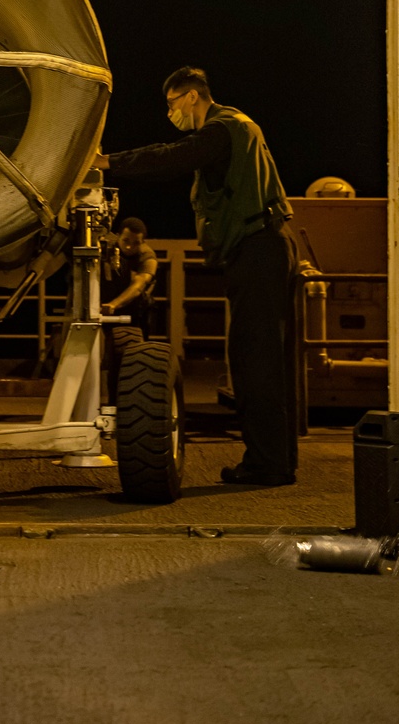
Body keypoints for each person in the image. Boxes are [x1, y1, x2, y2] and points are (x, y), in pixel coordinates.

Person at [105, 67, 298, 486]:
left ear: (191, 97)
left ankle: (267, 465)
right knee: (265, 357)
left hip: (257, 248)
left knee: (255, 359)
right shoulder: (240, 126)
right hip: (265, 245)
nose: (170, 112)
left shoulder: (221, 129)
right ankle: (277, 459)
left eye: (172, 103)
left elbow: (170, 157)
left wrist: (107, 162)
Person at [101, 217, 157, 403]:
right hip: (103, 308)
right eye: (126, 241)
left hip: (134, 313)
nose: (130, 247)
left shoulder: (147, 257)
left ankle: (128, 405)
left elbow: (139, 285)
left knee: (130, 362)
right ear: (118, 236)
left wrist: (115, 305)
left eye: (136, 243)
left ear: (143, 242)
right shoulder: (105, 248)